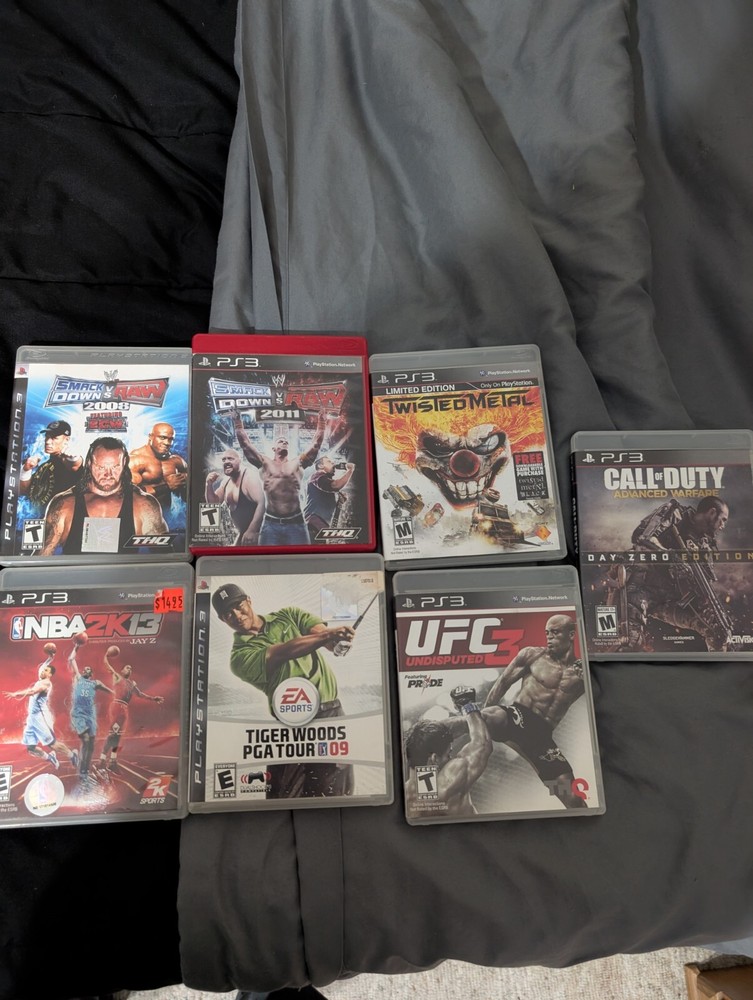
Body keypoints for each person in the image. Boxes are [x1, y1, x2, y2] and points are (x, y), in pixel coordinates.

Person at [212, 582, 355, 798]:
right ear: (223, 620)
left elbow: (321, 634)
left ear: (249, 601)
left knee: (335, 795)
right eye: (228, 614)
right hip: (289, 728)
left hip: (330, 718)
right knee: (280, 797)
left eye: (239, 607)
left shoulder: (289, 615)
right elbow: (282, 652)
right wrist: (327, 637)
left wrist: (335, 642)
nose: (237, 616)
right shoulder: (239, 657)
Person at [446, 614, 587, 808]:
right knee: (482, 717)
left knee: (573, 798)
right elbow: (502, 683)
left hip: (541, 737)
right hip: (517, 716)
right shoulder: (532, 655)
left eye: (555, 632)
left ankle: (582, 822)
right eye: (547, 633)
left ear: (571, 635)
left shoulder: (582, 673)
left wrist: (589, 676)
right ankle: (427, 735)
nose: (549, 637)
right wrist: (483, 722)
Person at [623, 495, 733, 651]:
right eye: (723, 520)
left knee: (718, 632)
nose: (723, 525)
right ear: (712, 513)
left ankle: (721, 664)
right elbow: (642, 538)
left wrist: (710, 610)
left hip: (670, 600)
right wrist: (671, 558)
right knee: (631, 642)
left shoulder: (705, 546)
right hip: (641, 589)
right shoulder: (675, 514)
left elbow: (703, 586)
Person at [38, 435, 168, 555]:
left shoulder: (144, 504)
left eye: (115, 467)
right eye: (101, 468)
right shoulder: (64, 504)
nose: (108, 474)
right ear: (89, 463)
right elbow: (40, 557)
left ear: (124, 463)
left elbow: (166, 560)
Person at [230, 408, 328, 545]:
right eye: (280, 441)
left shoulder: (297, 463)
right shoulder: (264, 463)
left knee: (302, 558)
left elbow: (316, 444)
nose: (284, 442)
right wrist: (237, 421)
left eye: (286, 441)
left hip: (296, 523)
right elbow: (245, 444)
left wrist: (322, 422)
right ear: (273, 448)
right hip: (271, 524)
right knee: (267, 559)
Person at [404, 685, 492, 818]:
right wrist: (467, 705)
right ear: (434, 758)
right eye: (448, 754)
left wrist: (436, 735)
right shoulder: (447, 783)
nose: (450, 758)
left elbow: (426, 781)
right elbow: (482, 743)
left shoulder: (404, 796)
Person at [3, 646, 77, 771]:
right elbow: (42, 666)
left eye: (46, 670)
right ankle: (50, 757)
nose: (42, 671)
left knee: (52, 744)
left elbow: (33, 692)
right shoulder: (41, 678)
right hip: (32, 718)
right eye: (42, 670)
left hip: (41, 718)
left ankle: (72, 755)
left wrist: (16, 694)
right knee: (30, 747)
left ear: (50, 674)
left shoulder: (46, 683)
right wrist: (50, 658)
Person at [97, 646, 164, 772]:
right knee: (112, 735)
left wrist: (153, 698)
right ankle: (101, 761)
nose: (130, 669)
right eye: (127, 667)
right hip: (117, 707)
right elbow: (107, 666)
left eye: (131, 668)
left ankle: (112, 762)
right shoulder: (117, 677)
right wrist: (106, 655)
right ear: (122, 670)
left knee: (118, 737)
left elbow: (140, 694)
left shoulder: (132, 684)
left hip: (124, 709)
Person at [67, 637, 113, 781]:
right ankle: (82, 771)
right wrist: (77, 646)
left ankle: (85, 771)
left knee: (91, 745)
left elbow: (110, 691)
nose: (85, 670)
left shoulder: (95, 683)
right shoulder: (78, 678)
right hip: (78, 713)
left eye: (88, 669)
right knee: (86, 740)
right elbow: (71, 659)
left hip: (90, 715)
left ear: (91, 673)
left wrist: (118, 695)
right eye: (84, 669)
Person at [205, 448, 265, 545]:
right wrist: (209, 485)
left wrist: (252, 530)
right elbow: (213, 504)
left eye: (230, 459)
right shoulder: (226, 481)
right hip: (243, 532)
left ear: (239, 460)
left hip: (258, 532)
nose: (226, 462)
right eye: (224, 459)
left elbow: (263, 502)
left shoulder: (249, 478)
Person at [19, 419, 82, 509]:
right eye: (47, 436)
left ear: (66, 440)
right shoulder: (44, 466)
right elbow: (24, 491)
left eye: (54, 438)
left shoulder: (65, 462)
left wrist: (74, 458)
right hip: (35, 515)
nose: (47, 441)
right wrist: (26, 470)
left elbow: (75, 466)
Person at [128, 422, 188, 513]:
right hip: (143, 517)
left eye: (171, 439)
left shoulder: (176, 460)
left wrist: (185, 483)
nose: (167, 443)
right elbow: (130, 494)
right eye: (162, 438)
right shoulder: (135, 460)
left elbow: (187, 496)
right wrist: (167, 486)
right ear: (150, 436)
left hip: (167, 516)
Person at [304, 457, 355, 536]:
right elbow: (335, 485)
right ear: (321, 465)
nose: (333, 463)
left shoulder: (325, 483)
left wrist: (340, 502)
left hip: (321, 524)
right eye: (329, 462)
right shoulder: (317, 475)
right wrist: (350, 470)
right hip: (314, 522)